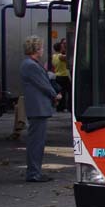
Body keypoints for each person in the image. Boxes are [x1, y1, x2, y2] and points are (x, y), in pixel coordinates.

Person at [20, 36, 61, 182]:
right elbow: (43, 84)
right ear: (36, 49)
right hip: (38, 108)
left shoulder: (30, 64)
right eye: (41, 47)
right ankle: (33, 173)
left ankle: (34, 171)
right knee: (36, 142)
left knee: (36, 141)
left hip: (37, 108)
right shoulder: (31, 65)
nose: (43, 50)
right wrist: (55, 95)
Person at [52, 40, 71, 112]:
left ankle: (60, 107)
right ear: (60, 48)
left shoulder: (53, 56)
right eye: (63, 47)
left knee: (61, 92)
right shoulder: (60, 56)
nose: (64, 48)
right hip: (64, 76)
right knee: (69, 91)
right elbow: (68, 57)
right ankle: (69, 106)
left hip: (57, 76)